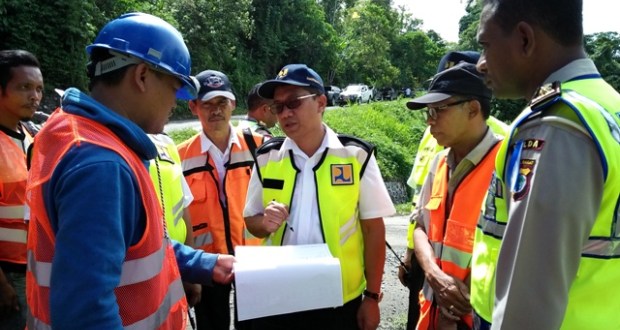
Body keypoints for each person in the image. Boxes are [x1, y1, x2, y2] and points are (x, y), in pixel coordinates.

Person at [25, 12, 235, 329]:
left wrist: (204, 263)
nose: (175, 103)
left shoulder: (77, 134)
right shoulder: (101, 163)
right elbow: (86, 314)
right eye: (174, 88)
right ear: (141, 76)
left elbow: (133, 248)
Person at [471, 0, 620, 329]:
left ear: (525, 39)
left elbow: (528, 303)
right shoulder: (607, 105)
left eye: (485, 45)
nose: (481, 64)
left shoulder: (556, 125)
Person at [244, 63, 396, 330]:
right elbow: (251, 222)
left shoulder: (355, 156)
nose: (285, 113)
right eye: (279, 107)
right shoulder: (267, 157)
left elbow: (374, 230)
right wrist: (264, 221)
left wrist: (372, 297)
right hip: (280, 295)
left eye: (294, 103)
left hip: (338, 299)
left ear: (321, 102)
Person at [399, 51, 508, 330]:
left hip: (476, 318)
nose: (429, 121)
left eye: (438, 110)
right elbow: (421, 227)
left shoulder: (506, 165)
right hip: (433, 312)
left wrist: (458, 296)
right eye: (428, 112)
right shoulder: (439, 162)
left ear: (472, 109)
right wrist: (435, 276)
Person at [178, 69, 264, 330]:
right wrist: (188, 272)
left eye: (222, 102)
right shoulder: (180, 157)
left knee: (255, 325)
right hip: (208, 263)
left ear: (233, 104)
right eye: (208, 104)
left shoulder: (259, 146)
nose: (216, 110)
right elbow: (178, 216)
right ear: (194, 106)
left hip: (254, 259)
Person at [0, 49, 43, 330]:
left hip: (38, 268)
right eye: (24, 87)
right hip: (8, 274)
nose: (35, 96)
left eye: (39, 88)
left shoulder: (32, 136)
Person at [147, 133, 201, 328]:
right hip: (141, 280)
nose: (173, 104)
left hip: (175, 268)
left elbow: (183, 207)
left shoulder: (166, 144)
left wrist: (190, 270)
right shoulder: (108, 143)